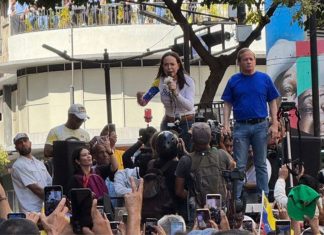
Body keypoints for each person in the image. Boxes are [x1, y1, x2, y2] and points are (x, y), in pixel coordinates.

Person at [221, 47, 280, 199]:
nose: (248, 62)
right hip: (240, 126)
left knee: (260, 163)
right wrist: (226, 125)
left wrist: (275, 124)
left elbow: (273, 101)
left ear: (255, 61)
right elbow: (227, 104)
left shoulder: (264, 78)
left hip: (261, 125)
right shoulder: (233, 80)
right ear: (239, 62)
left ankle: (264, 198)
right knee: (240, 164)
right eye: (245, 59)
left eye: (251, 59)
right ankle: (237, 199)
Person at [136, 51, 195, 150]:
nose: (169, 67)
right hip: (168, 121)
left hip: (186, 122)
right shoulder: (159, 81)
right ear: (162, 66)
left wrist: (175, 92)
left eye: (172, 64)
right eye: (166, 64)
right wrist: (140, 99)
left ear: (178, 65)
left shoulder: (187, 81)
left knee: (183, 151)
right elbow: (144, 101)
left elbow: (189, 106)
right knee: (164, 151)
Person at [175, 122, 231, 223]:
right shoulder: (221, 154)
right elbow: (233, 166)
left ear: (192, 139)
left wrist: (194, 196)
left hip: (198, 211)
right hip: (220, 209)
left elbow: (179, 191)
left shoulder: (186, 160)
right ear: (211, 138)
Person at [11, 133, 52, 213]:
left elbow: (50, 184)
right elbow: (37, 189)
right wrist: (57, 199)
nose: (23, 144)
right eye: (19, 142)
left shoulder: (39, 163)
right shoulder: (18, 165)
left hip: (45, 211)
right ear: (16, 148)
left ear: (30, 143)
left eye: (25, 141)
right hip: (32, 213)